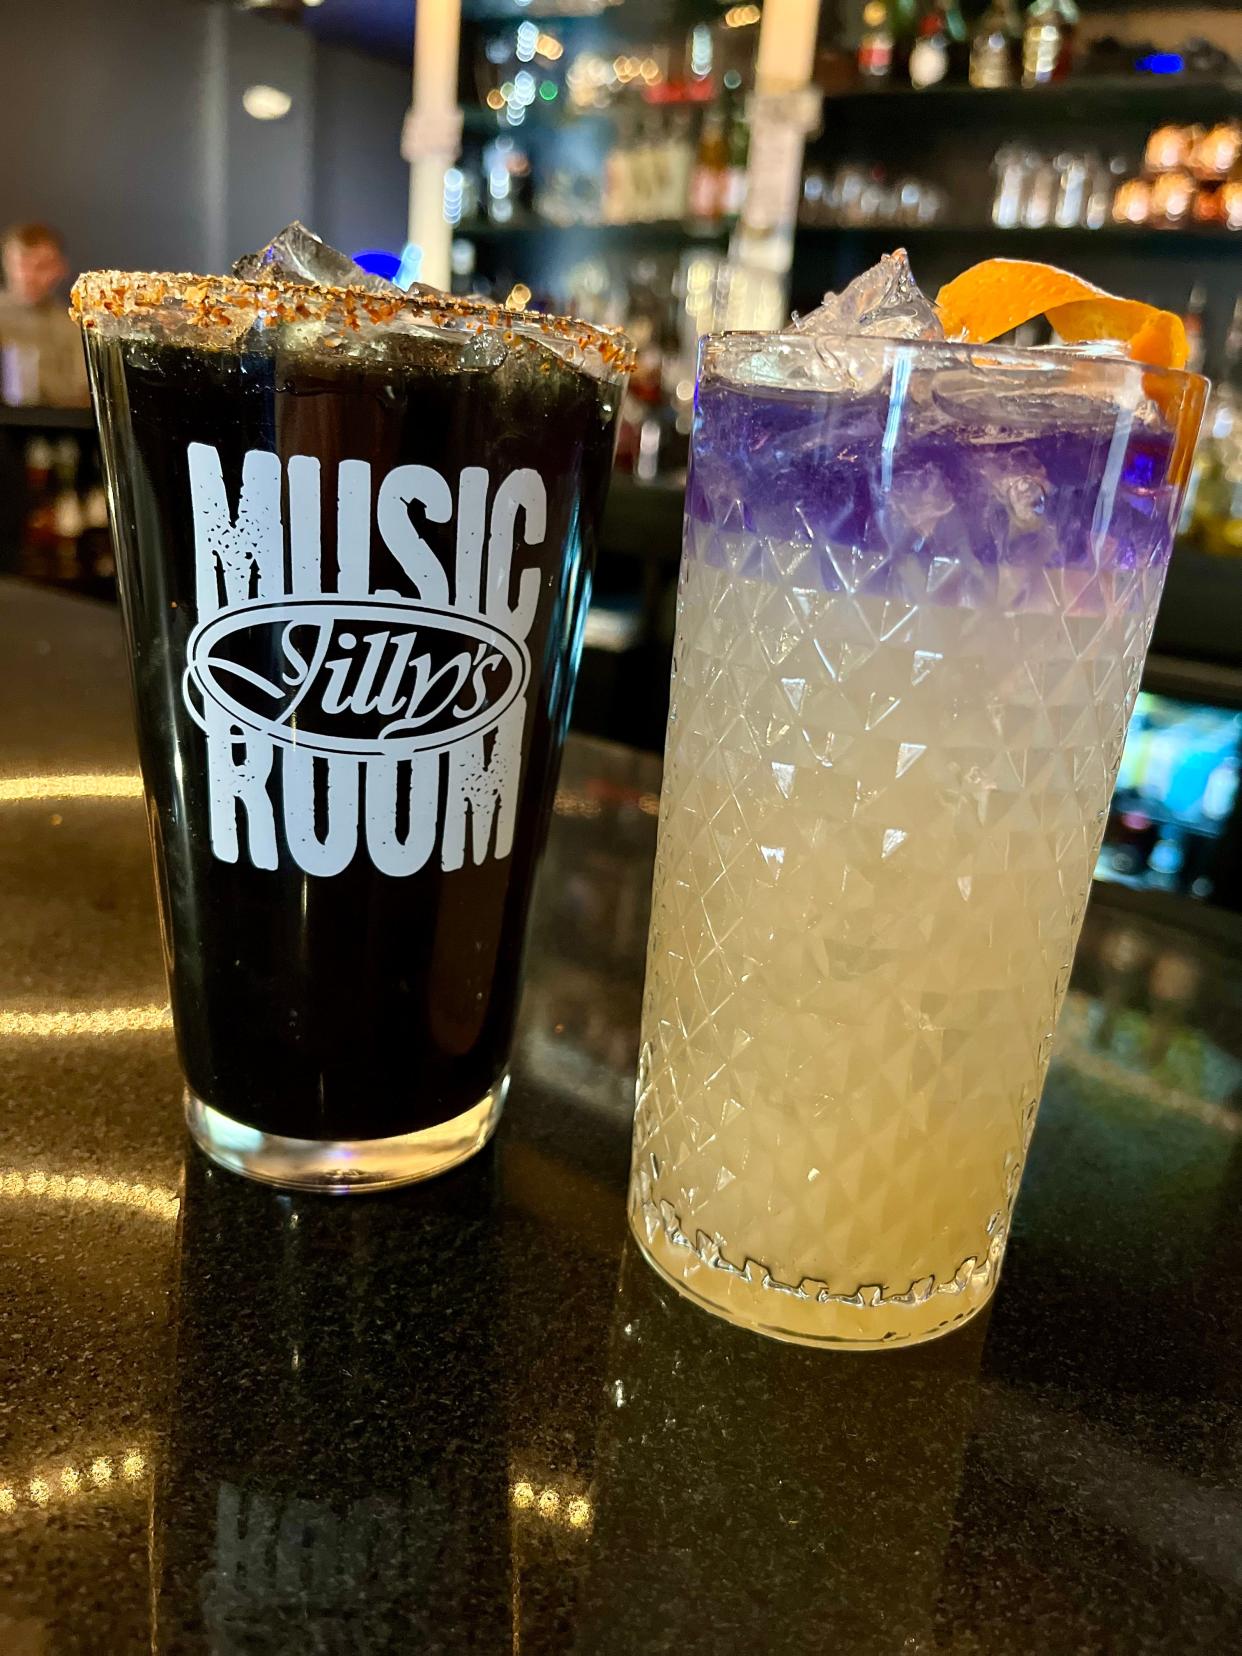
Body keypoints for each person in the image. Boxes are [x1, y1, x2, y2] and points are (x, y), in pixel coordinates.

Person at [0, 223, 88, 406]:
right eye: (22, 265)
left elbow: (85, 395)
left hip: (54, 427)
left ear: (60, 268)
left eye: (41, 267)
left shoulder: (73, 326)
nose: (28, 277)